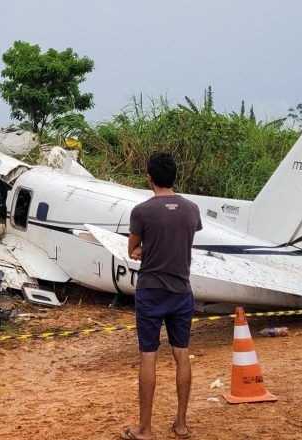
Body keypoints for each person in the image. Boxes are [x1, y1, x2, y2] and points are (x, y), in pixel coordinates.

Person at [122, 152, 202, 440]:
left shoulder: (141, 212)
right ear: (174, 178)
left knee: (148, 356)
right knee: (182, 355)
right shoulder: (192, 210)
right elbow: (184, 241)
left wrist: (145, 250)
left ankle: (144, 428)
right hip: (182, 290)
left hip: (151, 291)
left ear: (150, 178)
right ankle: (181, 424)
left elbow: (132, 250)